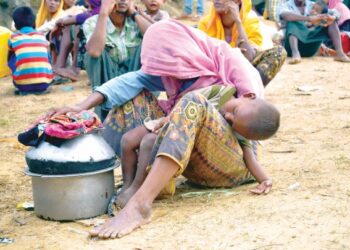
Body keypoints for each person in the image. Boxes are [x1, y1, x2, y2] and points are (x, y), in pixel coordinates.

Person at [48, 20, 278, 238]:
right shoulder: (171, 70)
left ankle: (141, 204)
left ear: (186, 55)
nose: (168, 77)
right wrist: (80, 107)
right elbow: (130, 81)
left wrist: (263, 177)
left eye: (171, 68)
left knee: (192, 101)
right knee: (133, 100)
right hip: (190, 156)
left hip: (233, 161)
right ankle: (127, 180)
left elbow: (249, 133)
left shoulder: (236, 73)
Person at [115, 90, 277, 208]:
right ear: (248, 96)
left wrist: (264, 179)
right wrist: (170, 118)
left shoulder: (240, 129)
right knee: (128, 140)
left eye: (233, 123)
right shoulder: (219, 90)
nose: (228, 118)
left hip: (185, 134)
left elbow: (249, 157)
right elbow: (186, 105)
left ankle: (137, 188)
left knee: (149, 141)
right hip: (177, 120)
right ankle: (128, 184)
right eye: (234, 111)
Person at [82, 0, 153, 120]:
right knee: (91, 55)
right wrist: (104, 13)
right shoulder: (92, 22)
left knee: (151, 47)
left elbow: (157, 37)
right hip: (108, 78)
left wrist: (135, 14)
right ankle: (103, 108)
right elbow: (94, 51)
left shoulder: (136, 20)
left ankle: (144, 105)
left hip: (135, 78)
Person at [198, 0, 287, 86]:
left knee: (279, 52)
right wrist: (231, 53)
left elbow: (249, 57)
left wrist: (238, 22)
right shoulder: (206, 23)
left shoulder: (249, 20)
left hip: (242, 74)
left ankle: (249, 90)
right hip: (216, 74)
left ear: (237, 1)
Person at [279, 0, 350, 64]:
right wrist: (310, 19)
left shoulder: (313, 5)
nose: (313, 10)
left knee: (330, 21)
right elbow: (286, 15)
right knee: (293, 21)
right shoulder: (286, 5)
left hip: (311, 47)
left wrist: (333, 17)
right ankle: (296, 53)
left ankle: (340, 54)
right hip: (291, 48)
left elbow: (335, 12)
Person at [8, 7, 53, 95]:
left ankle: (23, 79)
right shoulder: (41, 36)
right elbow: (49, 58)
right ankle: (41, 80)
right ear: (34, 22)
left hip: (22, 85)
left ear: (16, 25)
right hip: (44, 84)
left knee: (13, 54)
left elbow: (9, 60)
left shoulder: (13, 37)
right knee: (45, 53)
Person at [52, 0, 101, 81]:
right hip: (94, 48)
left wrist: (58, 23)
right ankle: (64, 66)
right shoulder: (101, 12)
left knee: (76, 27)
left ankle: (69, 67)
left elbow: (64, 21)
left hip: (92, 49)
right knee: (74, 27)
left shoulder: (90, 15)